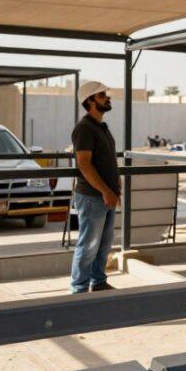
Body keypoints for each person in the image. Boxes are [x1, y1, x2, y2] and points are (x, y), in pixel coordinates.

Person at [69, 81, 121, 294]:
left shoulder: (101, 127)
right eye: (101, 95)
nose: (107, 98)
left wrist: (115, 189)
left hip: (106, 196)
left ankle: (98, 282)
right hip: (93, 197)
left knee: (103, 245)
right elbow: (83, 164)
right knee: (88, 246)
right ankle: (78, 289)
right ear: (90, 101)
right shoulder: (84, 128)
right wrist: (106, 191)